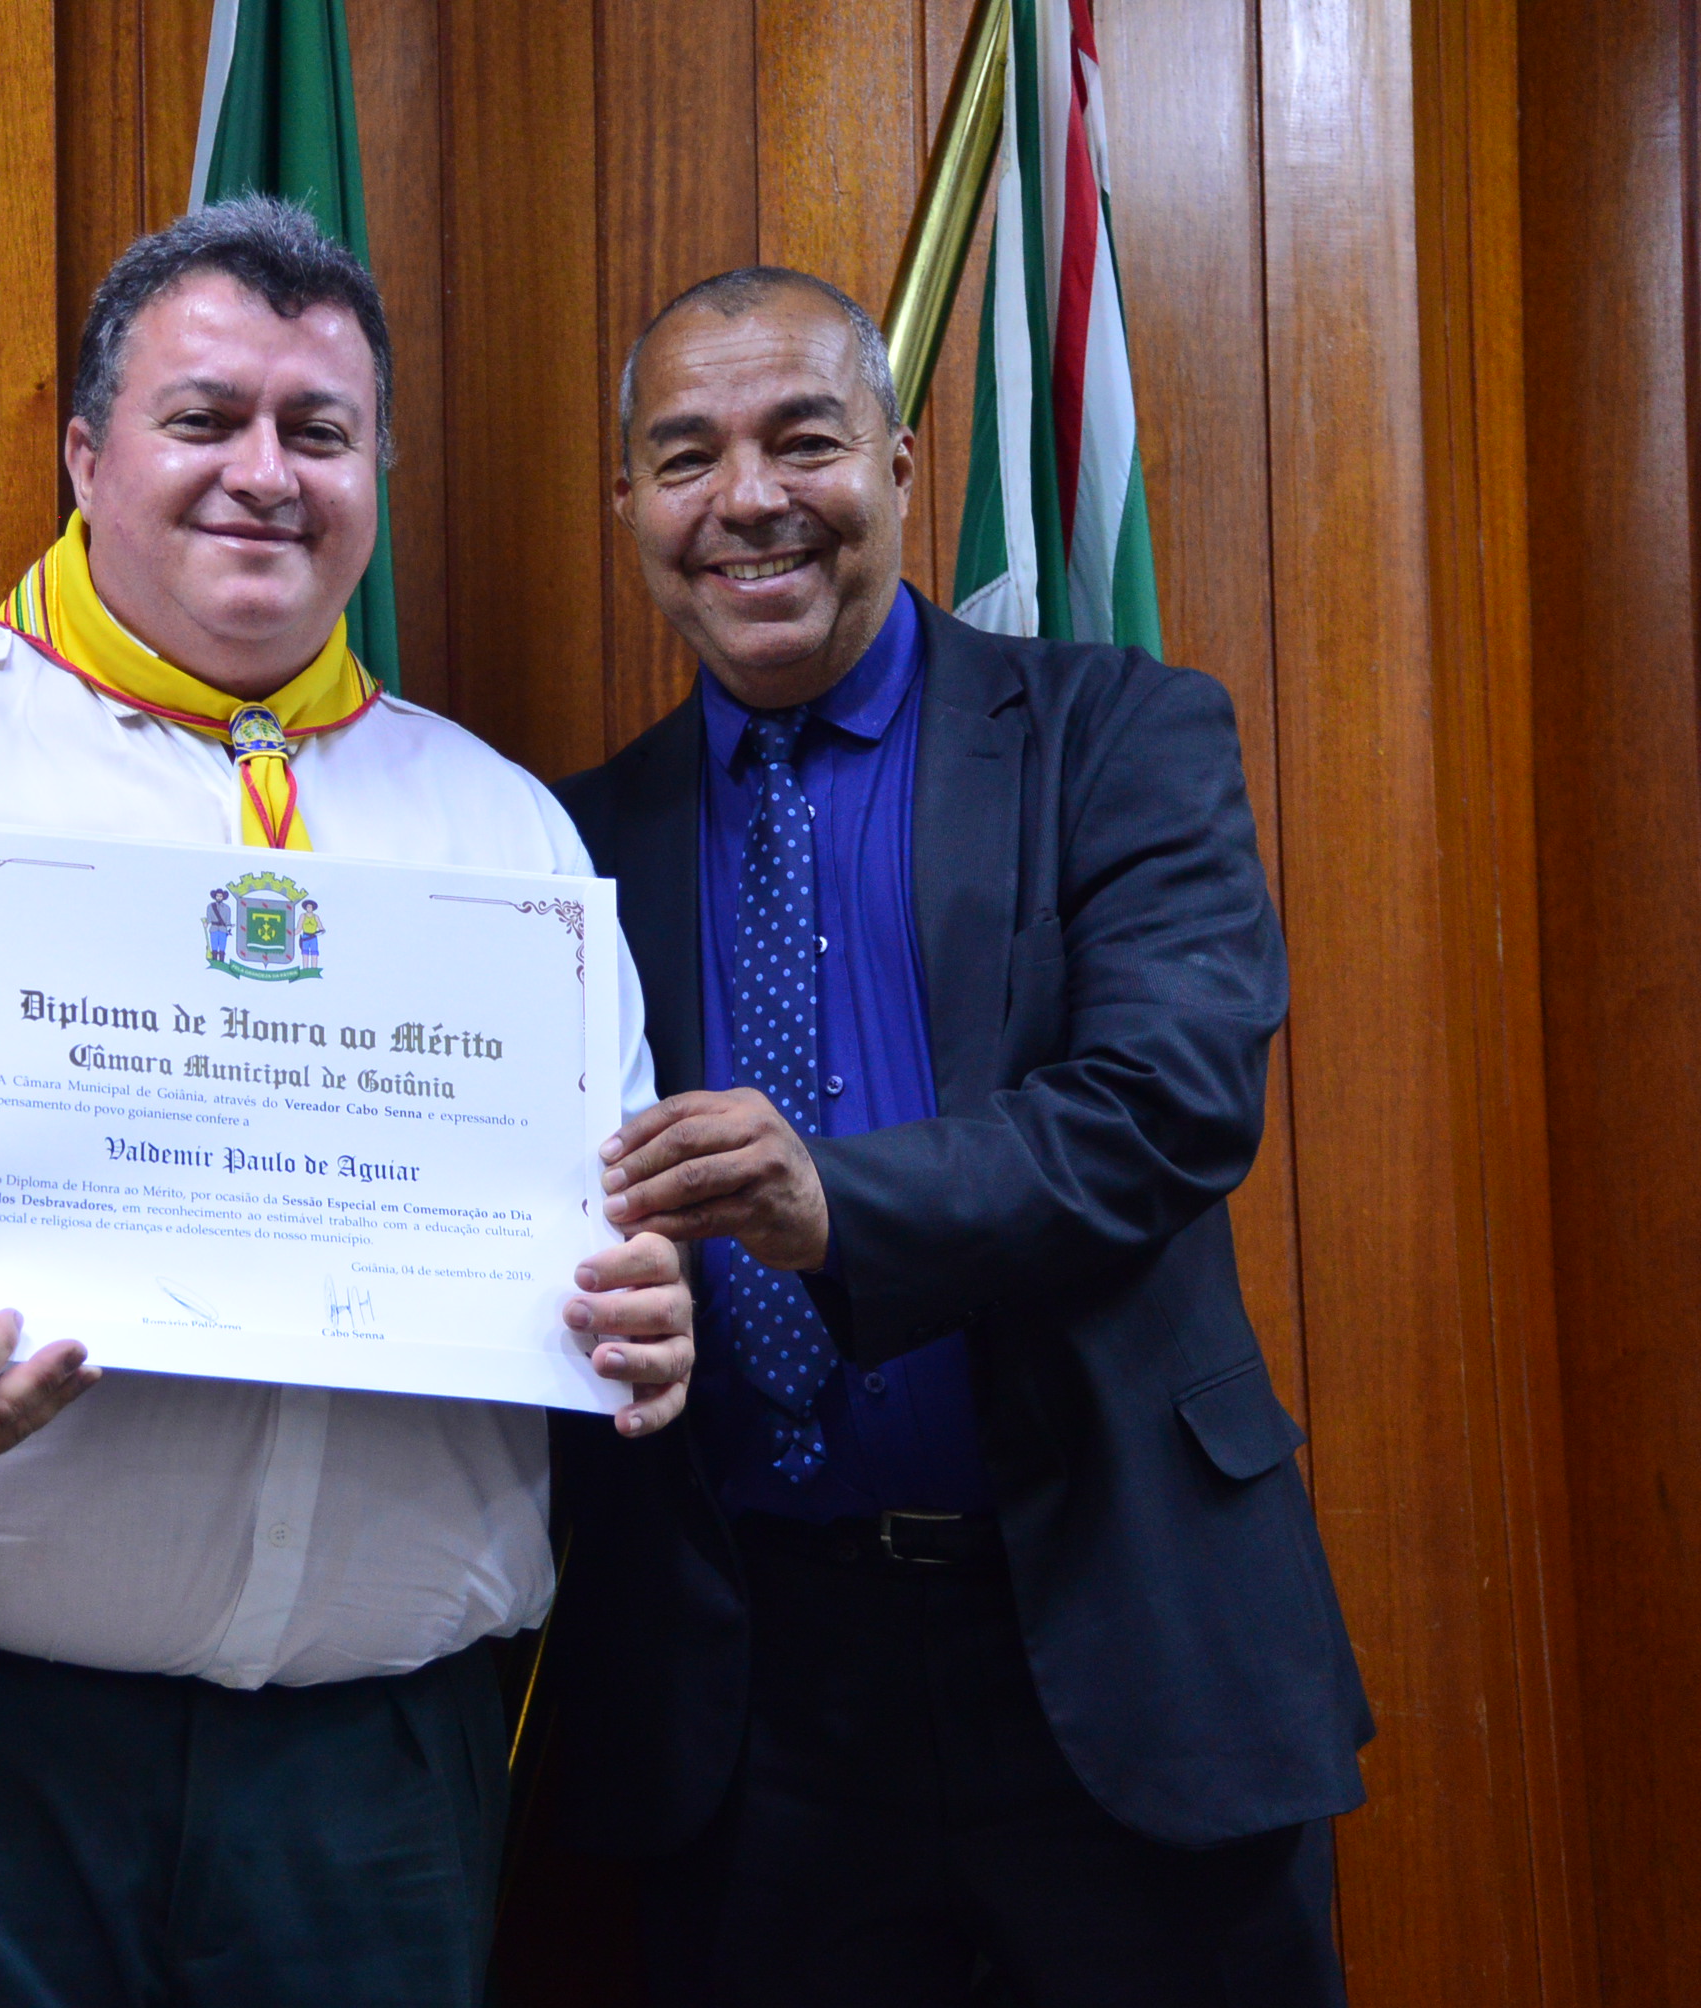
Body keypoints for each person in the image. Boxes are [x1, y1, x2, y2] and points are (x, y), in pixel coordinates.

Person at [0, 194, 694, 2008]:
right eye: (205, 419)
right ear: (85, 453)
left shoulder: (508, 836)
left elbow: (606, 1225)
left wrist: (641, 1312)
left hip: (371, 1789)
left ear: (376, 472)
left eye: (319, 430)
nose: (264, 475)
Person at [544, 265, 1373, 2005]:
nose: (748, 499)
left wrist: (831, 1205)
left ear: (903, 464)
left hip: (1118, 1642)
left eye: (805, 441)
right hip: (752, 1705)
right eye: (685, 457)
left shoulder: (1119, 735)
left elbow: (1170, 1104)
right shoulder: (567, 848)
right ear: (627, 504)